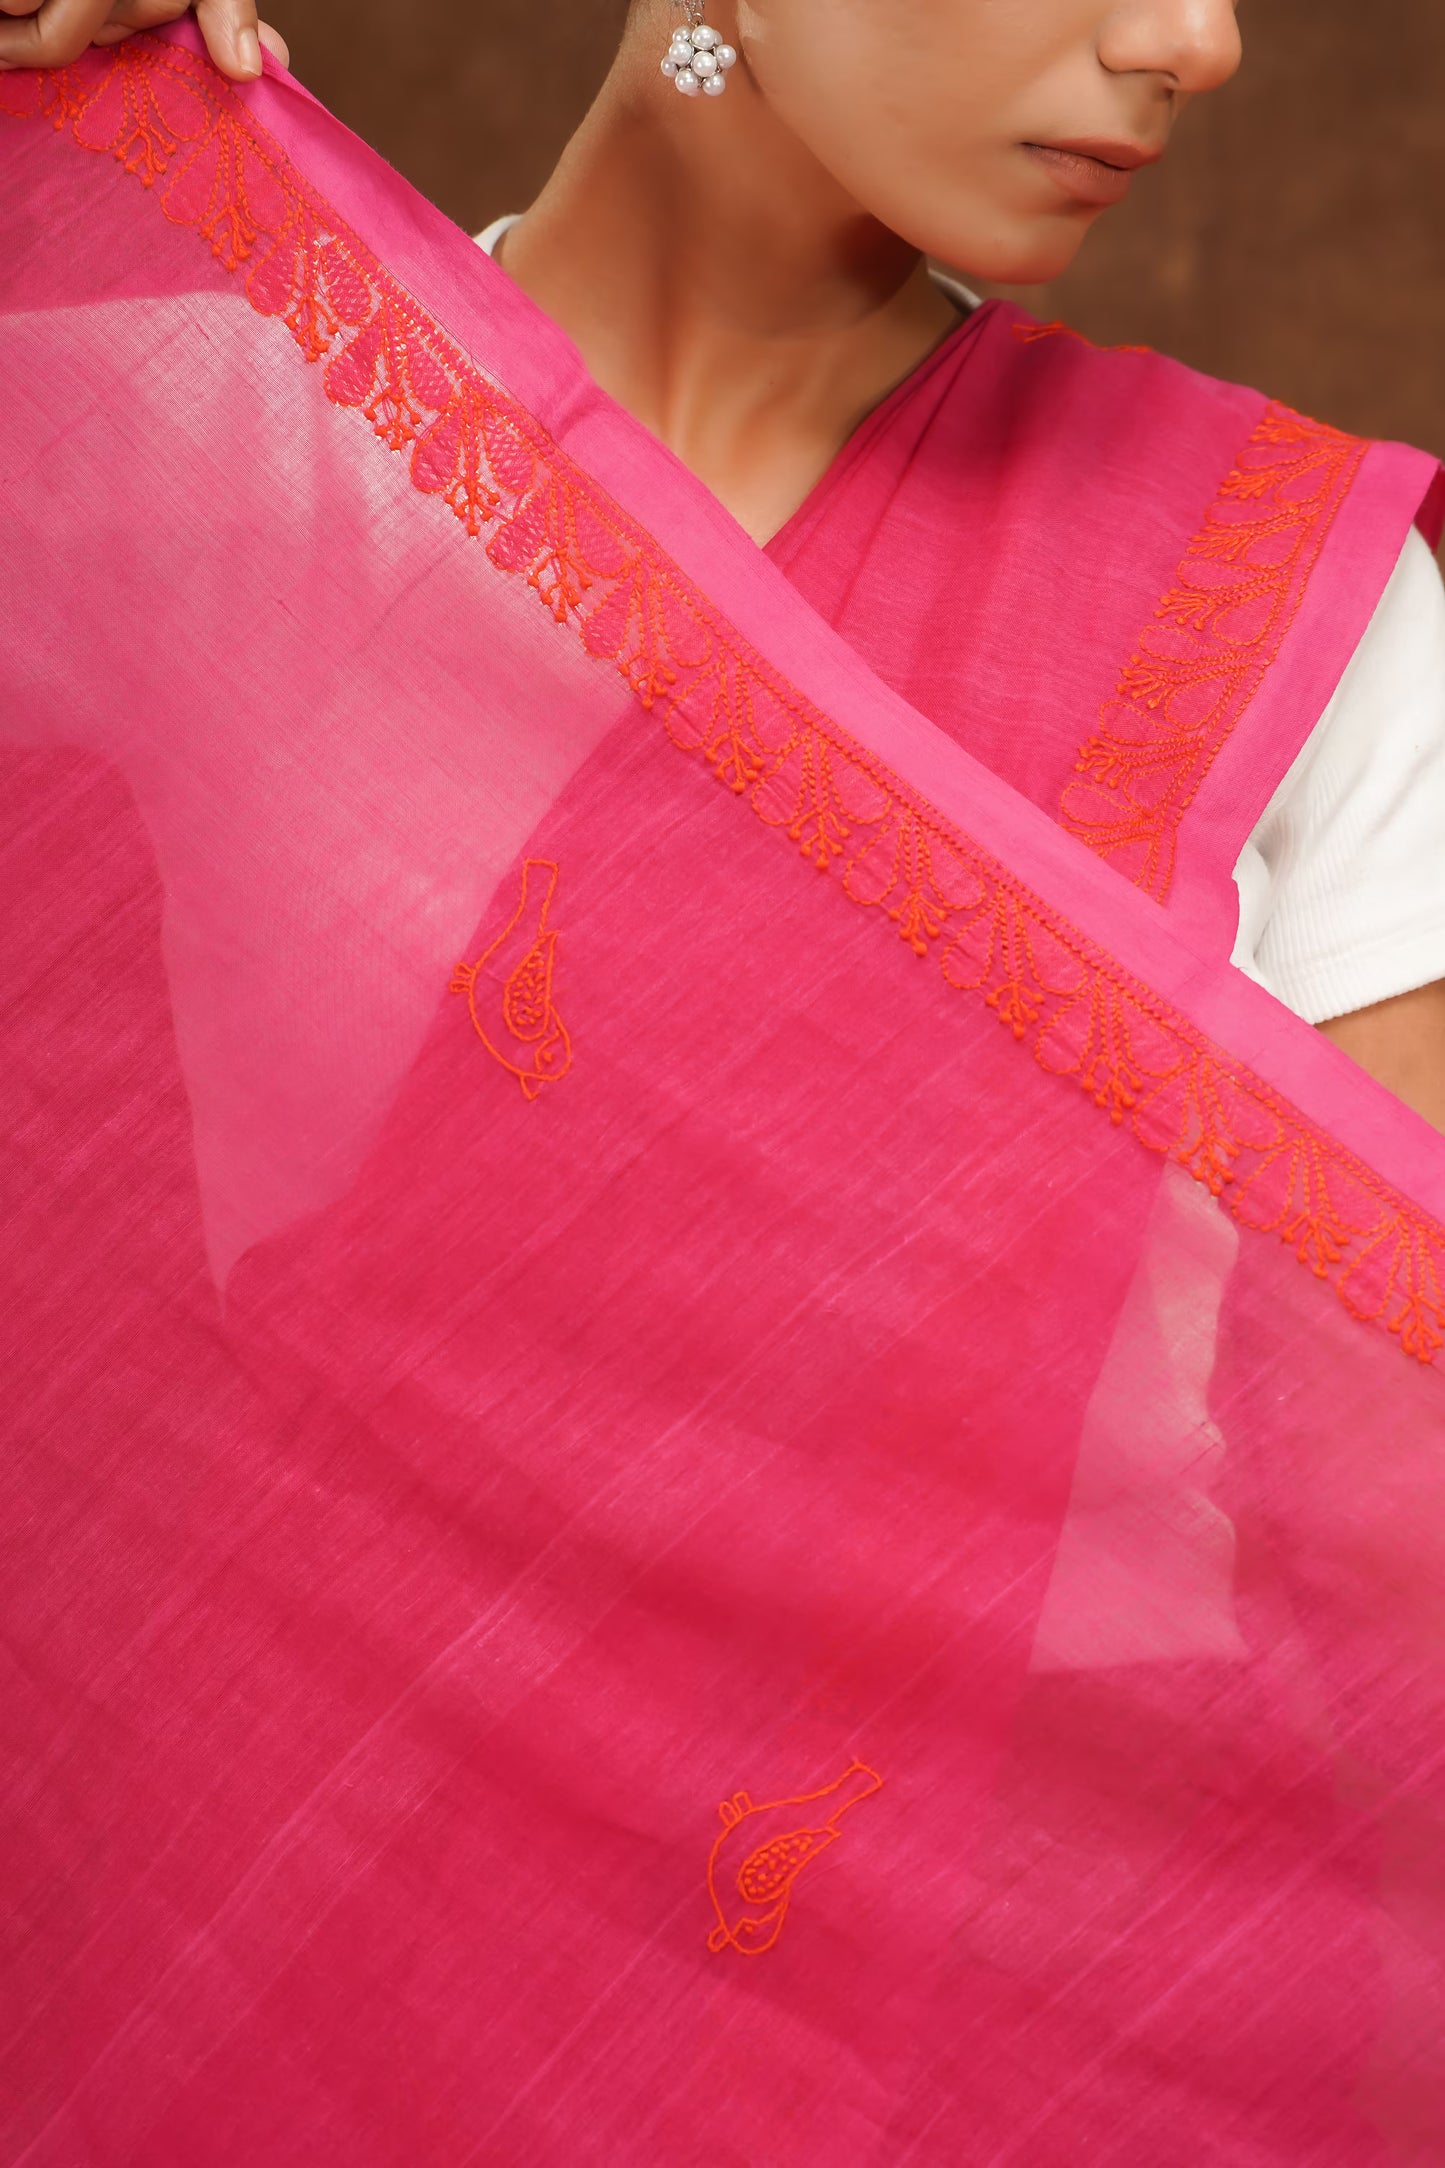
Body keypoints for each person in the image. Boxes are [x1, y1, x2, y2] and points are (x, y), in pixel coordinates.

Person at [3, 6, 1445, 2162]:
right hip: (313, 1972)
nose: (1195, 40)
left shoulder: (1294, 621)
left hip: (1036, 2035)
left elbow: (1402, 1543)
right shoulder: (199, 434)